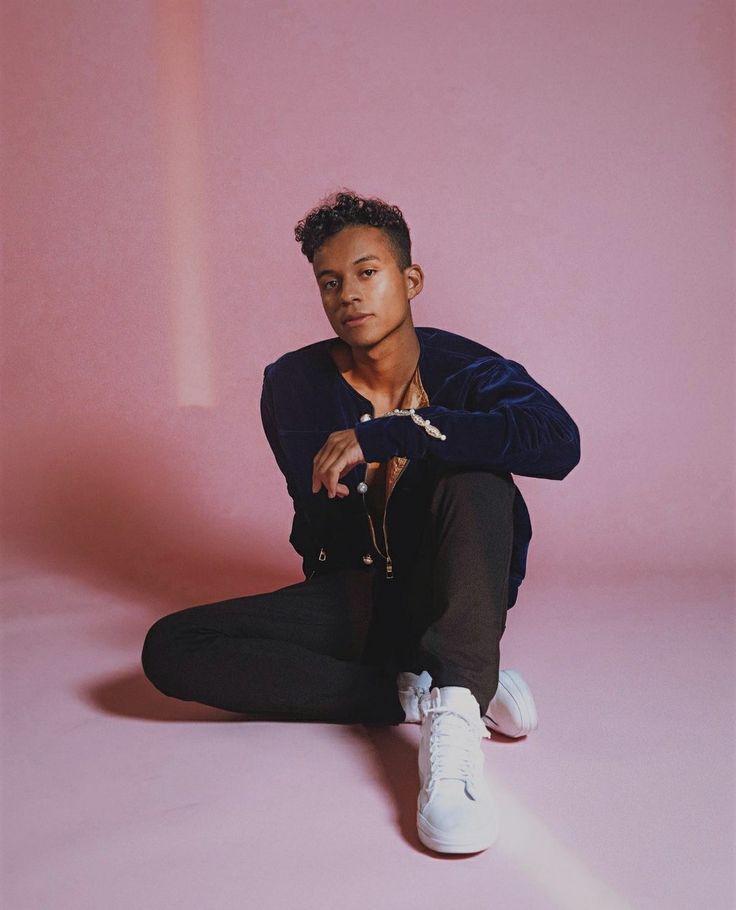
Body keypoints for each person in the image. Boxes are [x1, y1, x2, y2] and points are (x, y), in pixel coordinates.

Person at [141, 189, 581, 855]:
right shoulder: (292, 384)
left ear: (410, 280)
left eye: (368, 273)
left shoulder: (465, 368)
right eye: (330, 281)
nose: (349, 294)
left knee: (476, 470)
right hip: (360, 595)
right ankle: (413, 691)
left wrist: (396, 433)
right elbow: (318, 512)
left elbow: (557, 442)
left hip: (451, 582)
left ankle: (458, 712)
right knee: (170, 648)